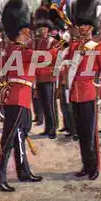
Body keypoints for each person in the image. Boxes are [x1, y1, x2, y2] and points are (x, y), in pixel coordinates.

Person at [0, 0, 66, 191]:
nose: (31, 34)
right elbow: (45, 57)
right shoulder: (17, 49)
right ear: (23, 31)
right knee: (8, 139)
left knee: (20, 136)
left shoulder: (20, 48)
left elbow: (39, 67)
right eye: (28, 31)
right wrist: (59, 45)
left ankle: (23, 171)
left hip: (23, 97)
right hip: (16, 98)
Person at [64, 0, 101, 180]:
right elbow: (66, 68)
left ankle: (94, 167)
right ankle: (85, 165)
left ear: (91, 26)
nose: (81, 28)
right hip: (75, 95)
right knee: (81, 134)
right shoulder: (74, 47)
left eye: (84, 25)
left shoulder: (98, 48)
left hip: (89, 94)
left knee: (91, 135)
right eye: (79, 24)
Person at [33, 7, 60, 139]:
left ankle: (53, 129)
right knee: (44, 105)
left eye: (43, 28)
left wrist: (54, 75)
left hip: (49, 77)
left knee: (50, 105)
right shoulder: (38, 42)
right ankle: (47, 127)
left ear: (48, 29)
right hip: (40, 78)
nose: (41, 30)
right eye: (39, 28)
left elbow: (57, 59)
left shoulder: (53, 41)